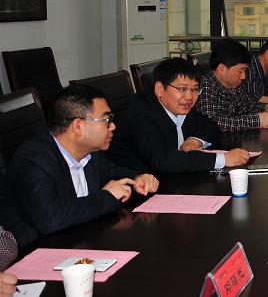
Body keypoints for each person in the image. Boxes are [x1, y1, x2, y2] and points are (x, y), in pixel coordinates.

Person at [0, 85, 158, 246]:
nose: (113, 126)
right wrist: (107, 196)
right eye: (106, 120)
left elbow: (110, 172)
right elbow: (51, 219)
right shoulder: (33, 161)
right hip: (34, 252)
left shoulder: (88, 152)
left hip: (79, 241)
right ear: (78, 127)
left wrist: (137, 178)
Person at [109, 58, 250, 173]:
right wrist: (223, 159)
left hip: (173, 180)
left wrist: (194, 141)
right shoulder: (140, 113)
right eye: (183, 89)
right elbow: (164, 160)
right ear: (160, 89)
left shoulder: (178, 105)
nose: (189, 97)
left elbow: (211, 125)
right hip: (137, 189)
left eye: (195, 89)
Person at [196, 39, 268, 132]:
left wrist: (265, 108)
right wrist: (256, 120)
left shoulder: (233, 84)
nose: (243, 76)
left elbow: (244, 106)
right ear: (221, 69)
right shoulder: (206, 86)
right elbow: (212, 122)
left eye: (245, 71)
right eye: (240, 71)